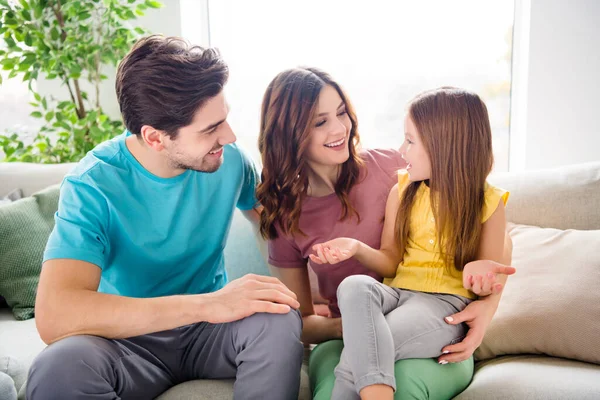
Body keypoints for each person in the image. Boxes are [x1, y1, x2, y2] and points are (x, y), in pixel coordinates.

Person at [26, 35, 303, 400]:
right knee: (57, 367)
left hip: (209, 332)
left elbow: (274, 222)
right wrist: (208, 303)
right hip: (125, 342)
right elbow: (55, 315)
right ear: (155, 138)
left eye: (224, 119)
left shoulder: (228, 159)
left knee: (278, 317)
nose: (230, 136)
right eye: (210, 129)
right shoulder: (92, 184)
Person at [257, 68, 514, 399]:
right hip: (358, 324)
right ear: (289, 135)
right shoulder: (286, 216)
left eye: (341, 113)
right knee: (349, 349)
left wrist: (489, 304)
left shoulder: (398, 168)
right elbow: (301, 321)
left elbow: (496, 245)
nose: (339, 128)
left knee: (393, 384)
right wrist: (360, 328)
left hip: (433, 325)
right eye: (320, 122)